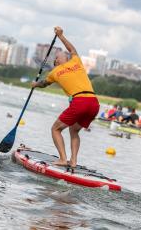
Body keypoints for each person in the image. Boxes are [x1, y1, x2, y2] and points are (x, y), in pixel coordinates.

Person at [32, 26, 100, 168]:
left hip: (81, 102)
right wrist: (36, 84)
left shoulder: (74, 61)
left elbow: (72, 50)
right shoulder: (56, 70)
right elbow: (44, 83)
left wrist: (61, 36)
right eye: (58, 55)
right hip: (94, 104)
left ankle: (63, 159)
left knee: (55, 129)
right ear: (57, 61)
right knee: (74, 130)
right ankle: (73, 161)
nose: (62, 54)